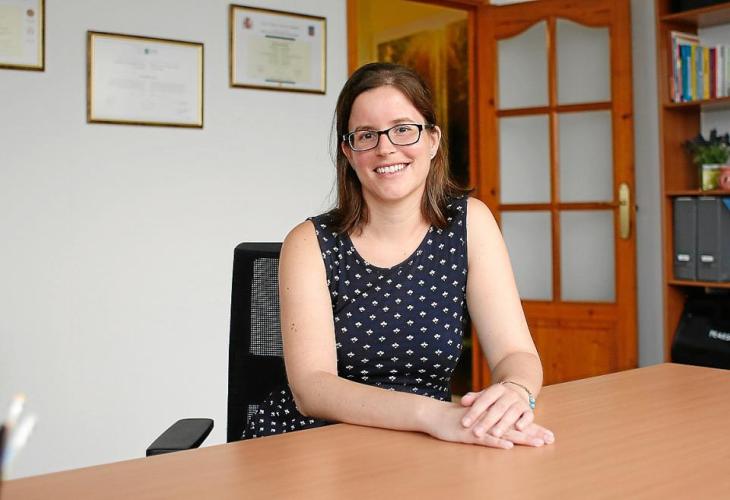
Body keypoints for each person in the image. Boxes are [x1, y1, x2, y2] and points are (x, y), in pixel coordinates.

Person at [248, 62, 554, 449]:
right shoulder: (309, 243)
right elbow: (312, 389)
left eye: (404, 129)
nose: (386, 148)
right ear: (348, 152)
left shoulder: (470, 223)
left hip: (425, 445)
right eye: (366, 135)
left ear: (433, 140)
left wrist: (515, 390)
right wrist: (434, 415)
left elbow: (515, 352)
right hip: (315, 444)